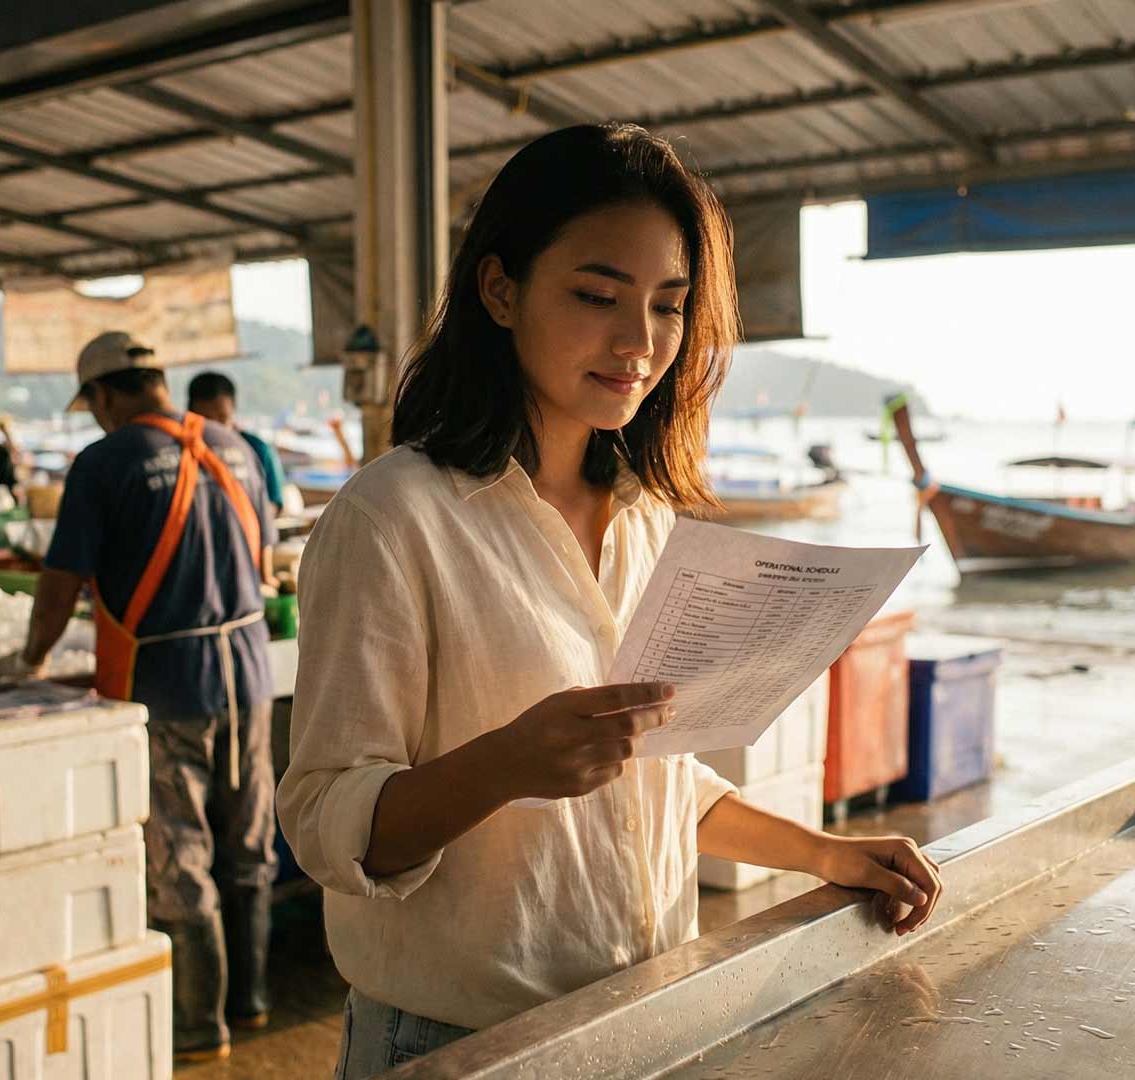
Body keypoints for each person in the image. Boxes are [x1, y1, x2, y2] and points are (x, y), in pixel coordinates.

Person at [276, 124, 944, 1080]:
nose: (639, 343)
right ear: (500, 289)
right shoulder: (392, 519)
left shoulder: (645, 520)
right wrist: (508, 762)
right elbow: (325, 822)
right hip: (454, 1046)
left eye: (668, 307)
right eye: (596, 296)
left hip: (641, 1024)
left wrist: (825, 853)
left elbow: (655, 787)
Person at [0, 332, 278, 1064]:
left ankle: (198, 1028)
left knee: (180, 858)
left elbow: (60, 585)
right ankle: (253, 1002)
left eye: (93, 406)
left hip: (166, 687)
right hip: (249, 675)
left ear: (107, 395)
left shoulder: (103, 461)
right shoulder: (234, 446)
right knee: (247, 845)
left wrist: (28, 660)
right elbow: (265, 559)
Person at [187, 372, 285, 515]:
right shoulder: (180, 453)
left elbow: (274, 503)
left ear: (233, 410)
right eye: (207, 421)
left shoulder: (258, 449)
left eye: (222, 418)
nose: (216, 429)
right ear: (190, 414)